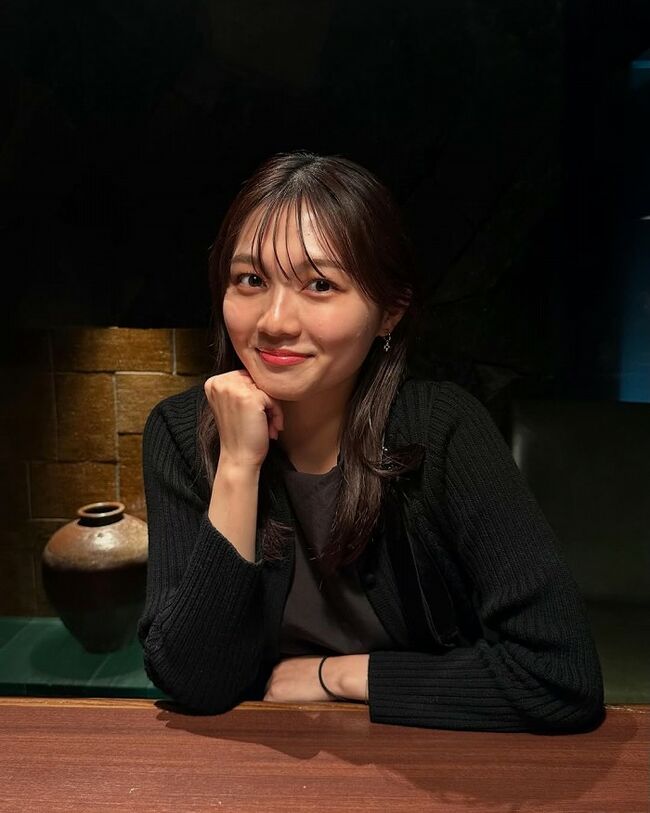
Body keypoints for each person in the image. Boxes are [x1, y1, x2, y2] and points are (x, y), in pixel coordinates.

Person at [137, 150, 605, 732]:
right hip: (260, 755)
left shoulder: (441, 431)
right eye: (250, 280)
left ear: (389, 312)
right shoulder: (181, 432)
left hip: (426, 754)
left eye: (319, 284)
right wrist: (237, 464)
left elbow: (560, 677)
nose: (275, 321)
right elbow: (193, 681)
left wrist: (336, 676)